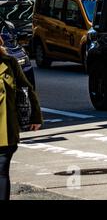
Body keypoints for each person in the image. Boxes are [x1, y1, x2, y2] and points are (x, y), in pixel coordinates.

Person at [0, 36, 42, 201]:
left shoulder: (9, 63)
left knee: (2, 171)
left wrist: (35, 117)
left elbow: (27, 88)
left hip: (6, 130)